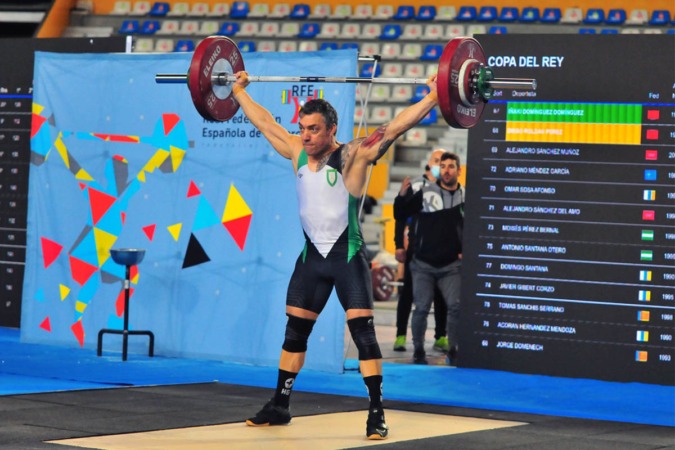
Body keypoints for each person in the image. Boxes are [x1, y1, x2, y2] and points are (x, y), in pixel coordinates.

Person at [231, 70, 439, 439]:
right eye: (302, 127)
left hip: (347, 258)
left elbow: (391, 129)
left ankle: (376, 412)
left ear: (331, 129)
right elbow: (264, 121)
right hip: (311, 259)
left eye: (313, 129)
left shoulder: (352, 155)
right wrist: (237, 90)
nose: (305, 135)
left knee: (364, 336)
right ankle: (280, 405)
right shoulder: (296, 150)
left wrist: (434, 97)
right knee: (294, 333)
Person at [394, 152, 464, 365]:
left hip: (451, 265)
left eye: (451, 166)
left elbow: (473, 228)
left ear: (459, 171)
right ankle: (418, 350)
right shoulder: (425, 193)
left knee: (455, 306)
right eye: (443, 166)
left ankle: (453, 350)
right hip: (422, 264)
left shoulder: (465, 198)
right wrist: (402, 196)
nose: (446, 170)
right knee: (421, 308)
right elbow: (400, 213)